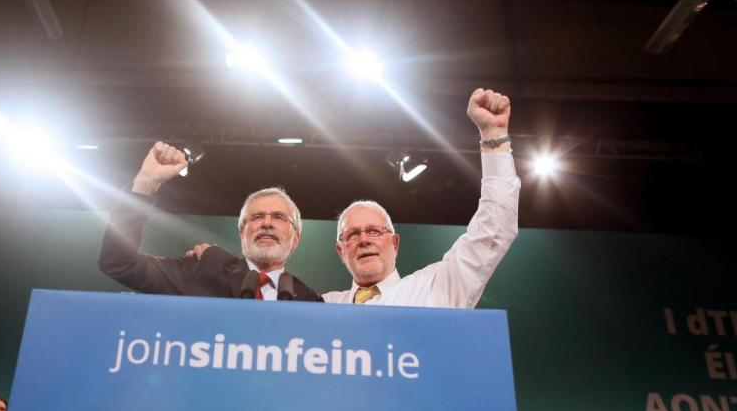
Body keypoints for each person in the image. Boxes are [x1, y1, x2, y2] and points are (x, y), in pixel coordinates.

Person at [323, 88, 519, 307]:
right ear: (340, 251)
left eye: (374, 231)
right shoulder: (320, 308)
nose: (364, 240)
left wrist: (494, 135)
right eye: (352, 235)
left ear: (394, 243)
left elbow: (495, 227)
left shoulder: (437, 288)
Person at [99, 141, 322, 301]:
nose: (266, 222)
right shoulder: (203, 269)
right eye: (256, 217)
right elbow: (119, 263)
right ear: (242, 233)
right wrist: (146, 183)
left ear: (295, 239)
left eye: (279, 217)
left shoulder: (309, 300)